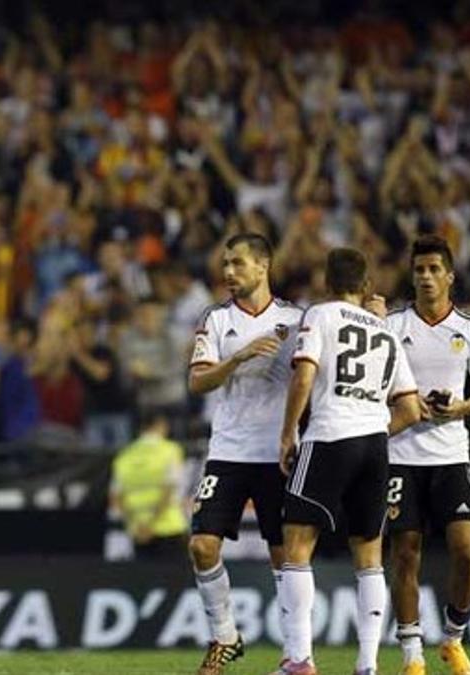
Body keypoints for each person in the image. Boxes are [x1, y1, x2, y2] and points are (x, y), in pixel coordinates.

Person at [276, 248, 423, 675]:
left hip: (329, 436)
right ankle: (367, 665)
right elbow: (411, 410)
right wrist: (374, 428)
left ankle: (300, 659)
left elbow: (304, 374)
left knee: (297, 547)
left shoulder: (320, 315)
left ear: (327, 282)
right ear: (365, 286)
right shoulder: (387, 332)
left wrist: (289, 433)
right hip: (376, 446)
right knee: (370, 556)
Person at [186, 233, 302, 674]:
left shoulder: (297, 318)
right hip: (229, 451)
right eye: (225, 264)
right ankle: (225, 635)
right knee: (201, 545)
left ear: (263, 265)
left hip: (277, 451)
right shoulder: (216, 319)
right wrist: (238, 358)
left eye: (237, 263)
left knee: (283, 555)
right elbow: (198, 382)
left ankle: (294, 653)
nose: (228, 272)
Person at [384, 236, 470, 675]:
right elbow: (373, 388)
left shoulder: (469, 330)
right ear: (412, 276)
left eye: (434, 269)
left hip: (451, 456)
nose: (426, 277)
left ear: (450, 275)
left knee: (467, 552)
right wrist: (407, 407)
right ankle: (412, 655)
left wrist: (457, 408)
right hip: (401, 456)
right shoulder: (391, 327)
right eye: (419, 270)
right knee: (405, 554)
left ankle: (453, 638)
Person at [109, 412, 189, 560]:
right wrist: (151, 524)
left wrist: (137, 525)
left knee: (145, 581)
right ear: (160, 425)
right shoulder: (170, 450)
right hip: (169, 527)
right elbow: (169, 490)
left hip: (138, 532)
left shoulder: (123, 456)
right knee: (176, 581)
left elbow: (116, 498)